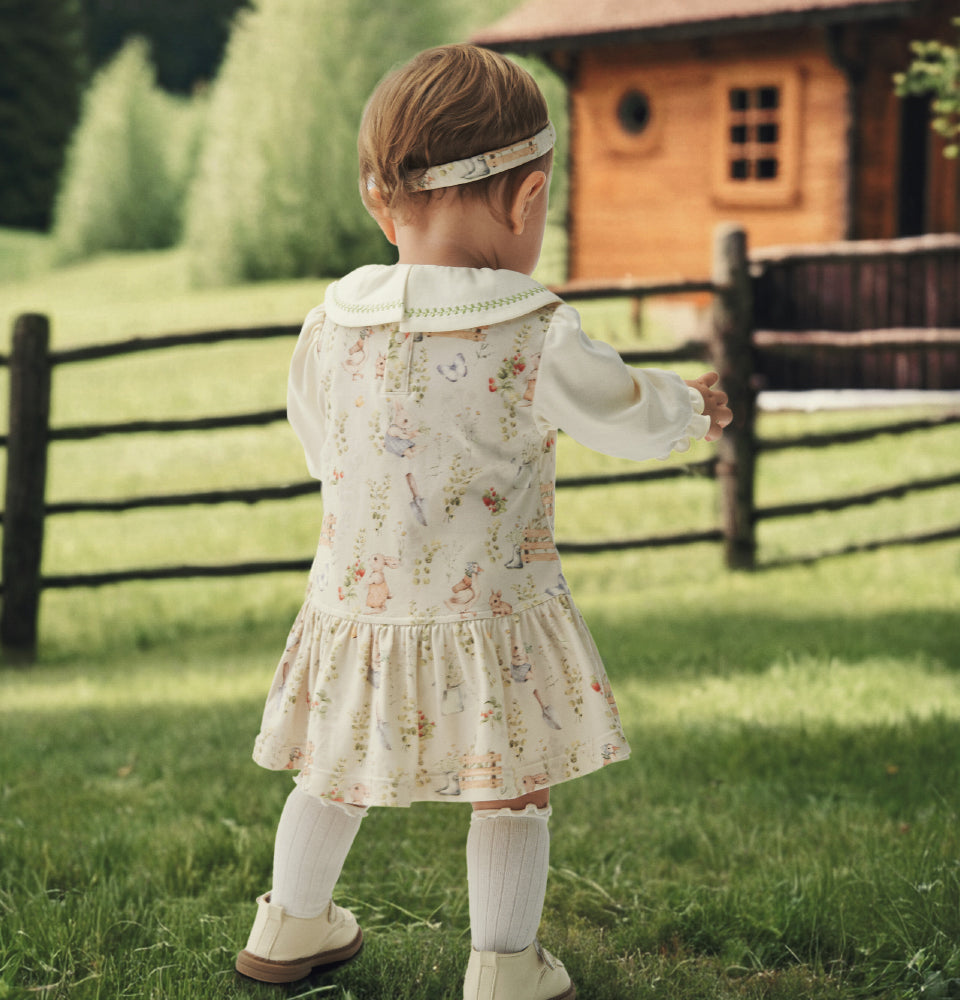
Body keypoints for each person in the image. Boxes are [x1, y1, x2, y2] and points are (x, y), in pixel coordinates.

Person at [235, 44, 732, 1000]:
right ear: (527, 196)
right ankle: (505, 966)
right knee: (512, 783)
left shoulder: (330, 321)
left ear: (385, 202)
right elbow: (621, 410)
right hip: (494, 612)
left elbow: (322, 445)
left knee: (333, 765)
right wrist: (688, 408)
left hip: (356, 602)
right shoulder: (531, 327)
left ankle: (291, 926)